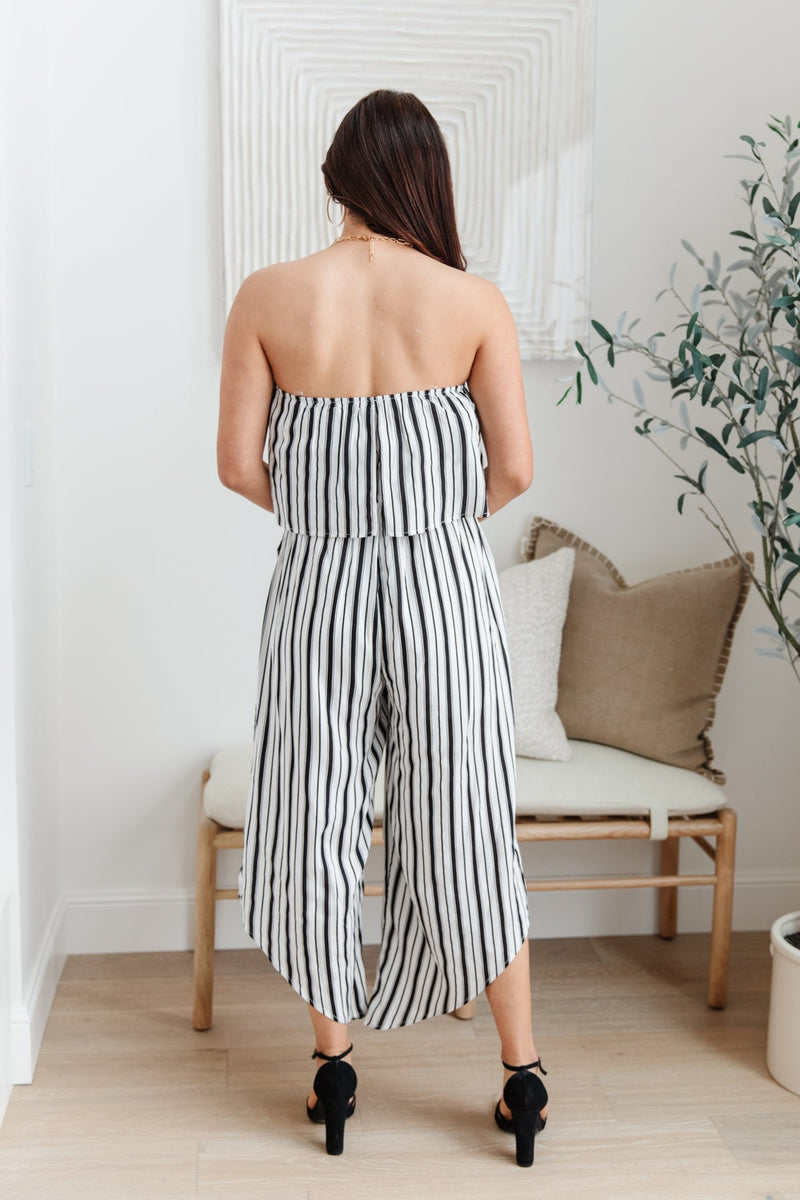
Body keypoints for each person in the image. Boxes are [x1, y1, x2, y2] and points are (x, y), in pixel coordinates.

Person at [217, 88, 548, 1167]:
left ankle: (334, 1064)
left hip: (317, 583)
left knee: (312, 808)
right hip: (443, 583)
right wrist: (425, 523)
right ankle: (522, 1076)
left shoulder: (268, 295)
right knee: (466, 813)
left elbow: (236, 465)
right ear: (425, 179)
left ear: (337, 179)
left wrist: (332, 517)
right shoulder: (471, 301)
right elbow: (513, 469)